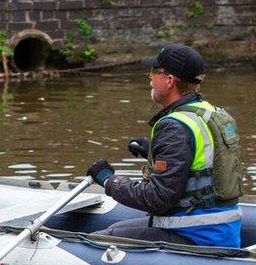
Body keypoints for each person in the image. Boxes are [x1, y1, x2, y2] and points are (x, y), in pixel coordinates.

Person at [87, 44, 243, 247]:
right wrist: (153, 152)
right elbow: (202, 164)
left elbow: (157, 198)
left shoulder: (174, 126)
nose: (150, 78)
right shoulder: (209, 113)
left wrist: (109, 181)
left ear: (169, 80)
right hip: (222, 230)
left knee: (95, 241)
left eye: (154, 72)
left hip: (195, 235)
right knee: (122, 228)